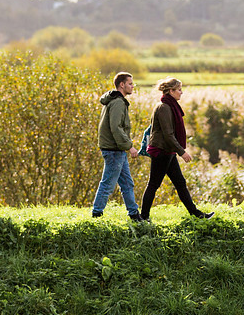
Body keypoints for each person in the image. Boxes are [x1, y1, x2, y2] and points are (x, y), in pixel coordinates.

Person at [141, 77, 213, 220]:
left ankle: (196, 214)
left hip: (167, 151)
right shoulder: (164, 108)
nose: (181, 92)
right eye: (179, 89)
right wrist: (182, 152)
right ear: (171, 91)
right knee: (154, 184)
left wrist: (177, 151)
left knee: (180, 183)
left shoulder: (170, 106)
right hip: (161, 151)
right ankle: (143, 217)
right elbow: (168, 134)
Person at [91, 71, 144, 221]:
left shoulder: (116, 101)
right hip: (114, 150)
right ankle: (96, 214)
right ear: (122, 85)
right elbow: (116, 127)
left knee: (127, 183)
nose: (133, 86)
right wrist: (129, 146)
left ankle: (134, 214)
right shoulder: (118, 103)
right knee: (108, 184)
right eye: (130, 83)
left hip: (117, 150)